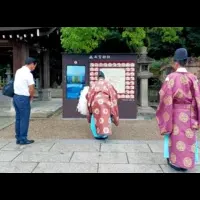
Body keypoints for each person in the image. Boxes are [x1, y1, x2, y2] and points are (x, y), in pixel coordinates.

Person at [156, 48, 200, 171]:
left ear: (176, 63)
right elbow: (198, 98)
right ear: (185, 62)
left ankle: (175, 162)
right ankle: (187, 162)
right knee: (188, 137)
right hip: (190, 113)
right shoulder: (193, 78)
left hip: (174, 112)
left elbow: (164, 96)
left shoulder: (171, 77)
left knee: (175, 136)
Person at [86, 71, 119, 140]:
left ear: (98, 77)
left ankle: (96, 135)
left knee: (94, 118)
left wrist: (90, 104)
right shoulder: (108, 84)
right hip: (106, 103)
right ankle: (104, 135)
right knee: (106, 117)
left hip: (95, 103)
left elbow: (89, 95)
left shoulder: (94, 84)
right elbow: (114, 94)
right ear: (104, 77)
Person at [13, 57, 37, 145]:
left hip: (16, 97)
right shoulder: (28, 74)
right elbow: (31, 88)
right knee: (24, 119)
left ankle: (18, 138)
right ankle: (23, 138)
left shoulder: (18, 71)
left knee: (18, 118)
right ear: (32, 64)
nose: (34, 67)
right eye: (35, 65)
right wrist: (31, 97)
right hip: (23, 98)